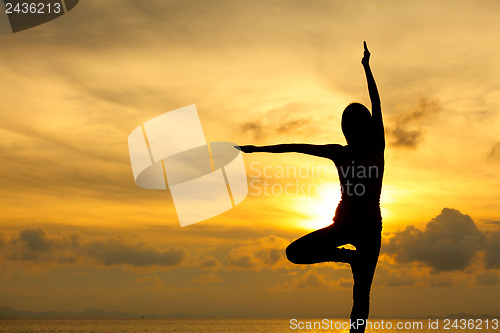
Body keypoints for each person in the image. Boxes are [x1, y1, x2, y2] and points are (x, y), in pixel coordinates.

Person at [238, 42, 384, 333]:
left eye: (361, 124)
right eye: (351, 125)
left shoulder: (377, 147)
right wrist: (257, 149)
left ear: (367, 127)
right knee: (295, 253)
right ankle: (349, 258)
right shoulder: (338, 152)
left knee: (361, 296)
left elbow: (377, 103)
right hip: (342, 225)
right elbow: (296, 146)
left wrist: (367, 68)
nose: (356, 129)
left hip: (370, 230)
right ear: (346, 128)